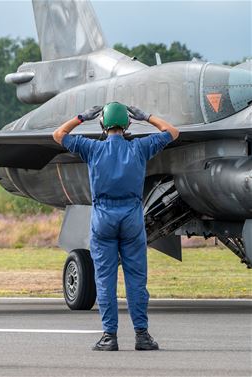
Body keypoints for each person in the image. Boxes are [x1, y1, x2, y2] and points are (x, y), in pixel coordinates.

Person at [52, 102, 179, 351]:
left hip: (103, 219)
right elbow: (173, 132)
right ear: (128, 124)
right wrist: (148, 117)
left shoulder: (92, 148)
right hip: (132, 218)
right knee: (136, 281)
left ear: (102, 125)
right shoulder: (140, 148)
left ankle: (109, 337)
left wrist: (80, 117)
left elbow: (58, 135)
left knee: (105, 280)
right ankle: (142, 336)